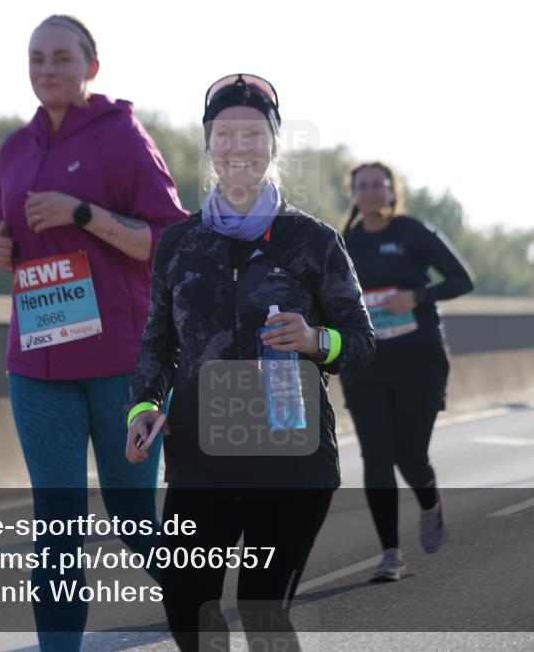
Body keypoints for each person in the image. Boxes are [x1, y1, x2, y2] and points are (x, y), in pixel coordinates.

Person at [125, 74, 375, 651]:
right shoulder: (179, 244)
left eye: (252, 134)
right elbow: (157, 344)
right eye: (224, 134)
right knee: (190, 611)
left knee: (262, 614)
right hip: (200, 461)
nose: (238, 147)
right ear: (209, 145)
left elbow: (360, 342)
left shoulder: (312, 242)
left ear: (273, 144)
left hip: (291, 461)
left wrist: (316, 340)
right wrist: (141, 406)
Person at [0, 14, 188, 651]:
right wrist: (3, 249)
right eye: (37, 58)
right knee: (58, 524)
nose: (48, 69)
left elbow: (171, 242)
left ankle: (194, 604)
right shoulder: (13, 149)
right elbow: (22, 240)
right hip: (38, 363)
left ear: (90, 67)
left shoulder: (122, 136)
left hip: (120, 364)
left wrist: (84, 214)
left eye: (62, 59)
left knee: (133, 518)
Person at [338, 162, 474, 582]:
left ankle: (430, 503)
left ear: (393, 192)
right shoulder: (343, 243)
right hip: (366, 362)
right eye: (363, 186)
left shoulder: (413, 232)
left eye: (379, 185)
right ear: (354, 193)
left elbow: (461, 279)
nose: (372, 192)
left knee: (409, 455)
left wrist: (416, 295)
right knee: (376, 456)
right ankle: (390, 554)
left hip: (419, 358)